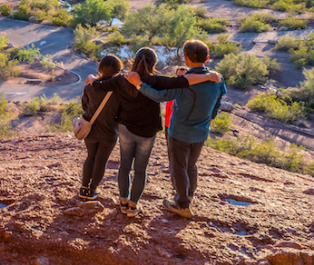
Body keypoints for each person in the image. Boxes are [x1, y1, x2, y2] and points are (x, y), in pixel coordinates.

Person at [88, 49, 220, 218]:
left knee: (125, 166)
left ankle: (123, 202)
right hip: (147, 131)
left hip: (125, 128)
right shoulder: (156, 81)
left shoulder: (122, 79)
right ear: (154, 64)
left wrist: (91, 78)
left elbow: (98, 86)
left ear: (134, 60)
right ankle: (133, 206)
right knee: (141, 169)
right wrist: (208, 76)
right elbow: (184, 82)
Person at [129, 40, 227, 219]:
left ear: (186, 59)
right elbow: (219, 100)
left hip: (180, 131)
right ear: (207, 58)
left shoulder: (184, 83)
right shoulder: (217, 79)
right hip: (201, 131)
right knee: (191, 165)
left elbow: (160, 96)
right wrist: (210, 118)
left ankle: (182, 204)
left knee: (179, 167)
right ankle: (188, 196)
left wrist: (139, 85)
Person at [79, 55, 123, 200]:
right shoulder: (119, 90)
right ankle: (92, 191)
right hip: (109, 131)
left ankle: (83, 188)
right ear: (118, 70)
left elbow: (84, 106)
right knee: (101, 161)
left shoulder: (90, 87)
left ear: (100, 68)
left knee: (90, 157)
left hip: (91, 129)